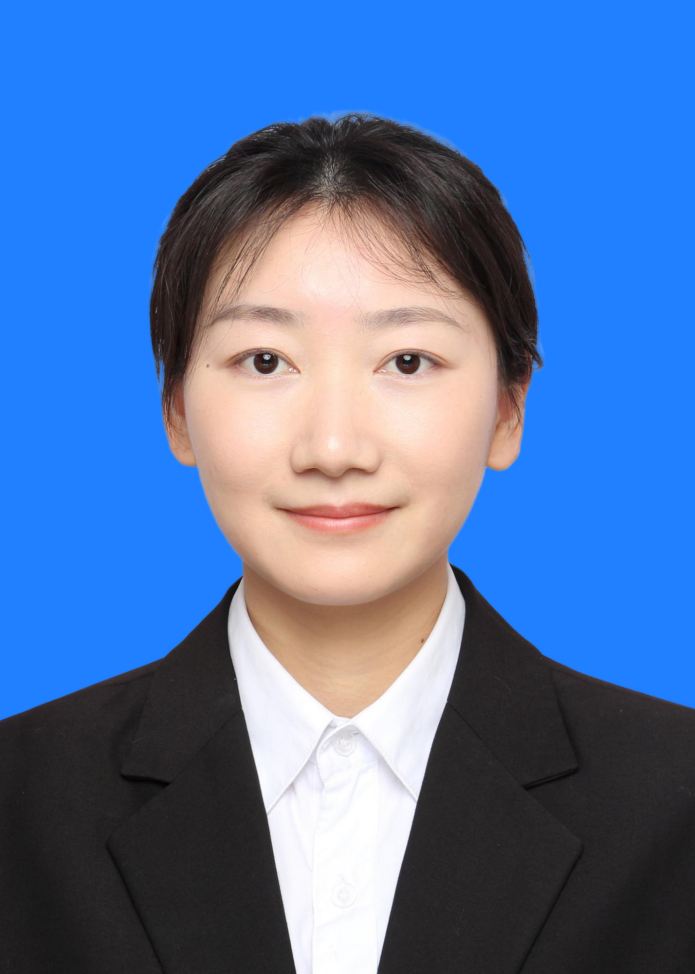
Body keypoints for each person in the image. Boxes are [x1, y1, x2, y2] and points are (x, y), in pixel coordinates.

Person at [1, 114, 693, 974]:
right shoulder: (22, 803)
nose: (333, 449)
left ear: (508, 408)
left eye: (406, 361)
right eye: (265, 361)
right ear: (175, 407)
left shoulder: (673, 802)